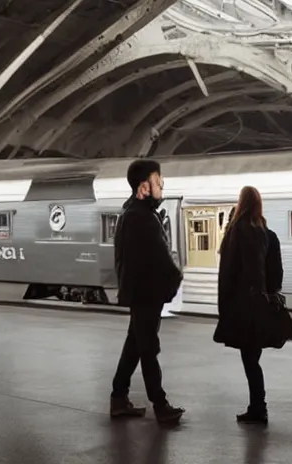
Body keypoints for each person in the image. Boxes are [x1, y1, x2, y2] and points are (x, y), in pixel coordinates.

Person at [110, 159, 185, 424]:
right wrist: (176, 279)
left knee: (135, 346)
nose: (162, 184)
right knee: (148, 349)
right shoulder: (141, 217)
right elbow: (159, 258)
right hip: (146, 294)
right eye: (158, 180)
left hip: (142, 292)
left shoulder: (133, 212)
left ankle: (119, 398)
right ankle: (160, 405)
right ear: (144, 187)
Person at [214, 186, 271, 425]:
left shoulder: (240, 229)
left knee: (250, 359)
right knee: (252, 357)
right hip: (256, 301)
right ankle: (257, 405)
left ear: (241, 203)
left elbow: (234, 269)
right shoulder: (262, 229)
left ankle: (258, 407)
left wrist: (227, 301)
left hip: (244, 302)